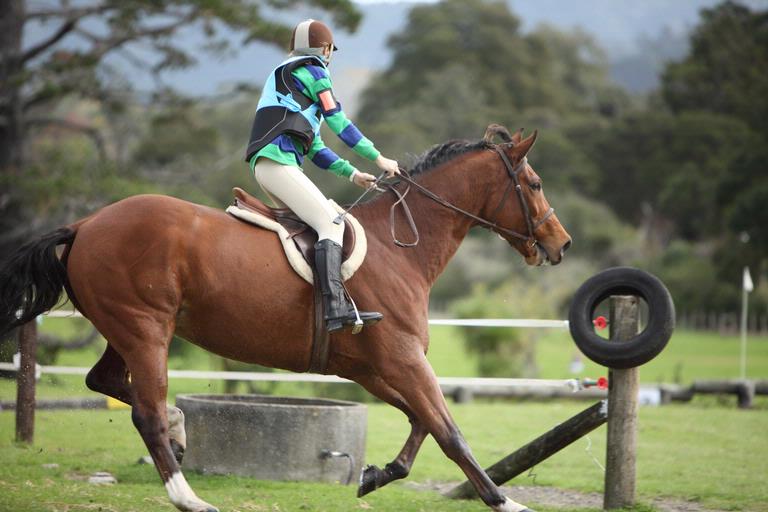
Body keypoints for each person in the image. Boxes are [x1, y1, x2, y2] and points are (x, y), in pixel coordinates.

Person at [244, 19, 399, 333]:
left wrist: (353, 174)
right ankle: (334, 308)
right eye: (329, 50)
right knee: (332, 223)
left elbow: (315, 147)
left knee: (313, 226)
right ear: (324, 49)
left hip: (270, 165)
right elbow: (339, 122)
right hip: (278, 164)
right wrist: (378, 157)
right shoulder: (315, 71)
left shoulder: (293, 83)